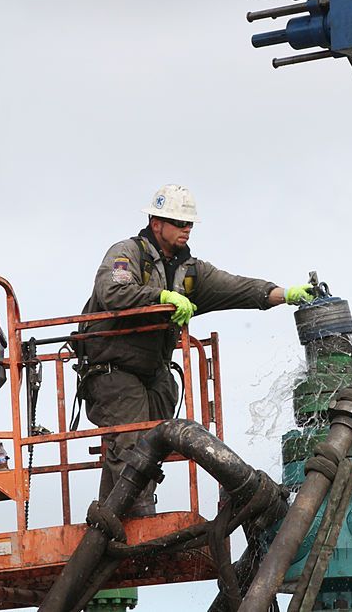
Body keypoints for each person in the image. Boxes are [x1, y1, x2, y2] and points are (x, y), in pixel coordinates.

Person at [78, 184, 313, 515]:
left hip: (153, 372)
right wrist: (159, 298)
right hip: (113, 370)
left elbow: (237, 288)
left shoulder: (190, 272)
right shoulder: (126, 254)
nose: (186, 230)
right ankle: (129, 521)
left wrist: (284, 294)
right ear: (156, 222)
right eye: (178, 223)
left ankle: (118, 515)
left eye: (189, 224)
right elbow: (113, 291)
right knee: (130, 445)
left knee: (151, 446)